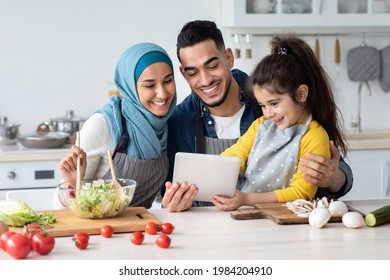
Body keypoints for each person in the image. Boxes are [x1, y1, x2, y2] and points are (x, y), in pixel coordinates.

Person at [162, 20, 353, 212]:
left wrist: (335, 178)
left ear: (228, 58)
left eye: (212, 66)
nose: (205, 80)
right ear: (184, 75)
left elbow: (331, 173)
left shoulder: (264, 92)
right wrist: (175, 201)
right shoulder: (179, 121)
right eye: (193, 72)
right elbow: (176, 193)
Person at [212, 35, 348, 211]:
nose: (268, 113)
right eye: (262, 105)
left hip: (287, 220)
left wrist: (246, 198)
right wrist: (211, 170)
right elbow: (235, 155)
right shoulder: (261, 126)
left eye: (274, 104)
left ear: (301, 94)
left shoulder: (315, 137)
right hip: (250, 216)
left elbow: (301, 193)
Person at [58, 42, 177, 209]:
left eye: (168, 81)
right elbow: (59, 208)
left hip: (141, 231)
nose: (162, 93)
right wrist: (71, 182)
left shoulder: (164, 124)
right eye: (150, 85)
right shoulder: (103, 124)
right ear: (129, 86)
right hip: (99, 233)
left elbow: (156, 196)